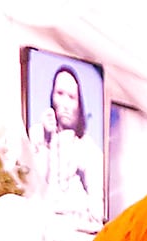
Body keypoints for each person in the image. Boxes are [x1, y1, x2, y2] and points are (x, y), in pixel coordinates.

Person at [30, 62, 103, 228]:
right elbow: (34, 188)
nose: (65, 103)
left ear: (79, 104)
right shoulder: (37, 134)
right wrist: (46, 143)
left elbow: (97, 206)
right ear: (52, 96)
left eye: (71, 97)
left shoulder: (89, 148)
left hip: (78, 225)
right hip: (45, 223)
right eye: (60, 93)